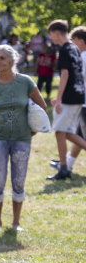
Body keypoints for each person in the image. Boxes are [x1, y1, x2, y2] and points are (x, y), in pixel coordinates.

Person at [0, 45, 46, 230]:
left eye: (2, 58)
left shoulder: (25, 82)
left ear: (12, 60)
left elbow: (41, 107)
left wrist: (32, 130)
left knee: (19, 181)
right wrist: (1, 127)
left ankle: (16, 223)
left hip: (22, 139)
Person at [46, 20, 86, 180]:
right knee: (66, 133)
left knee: (60, 132)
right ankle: (64, 167)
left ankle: (63, 169)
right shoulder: (75, 48)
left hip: (69, 97)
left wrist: (59, 98)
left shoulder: (64, 50)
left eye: (51, 34)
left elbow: (65, 74)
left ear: (57, 33)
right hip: (79, 95)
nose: (50, 38)